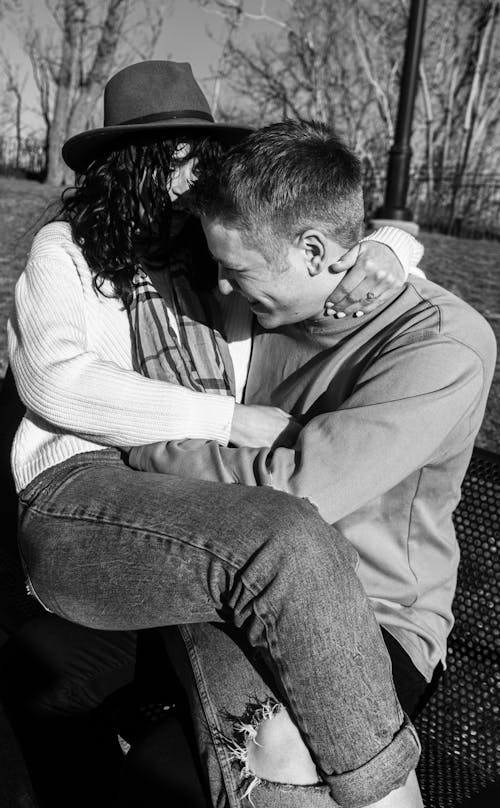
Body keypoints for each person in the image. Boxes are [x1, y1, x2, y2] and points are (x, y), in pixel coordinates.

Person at [7, 61, 427, 808]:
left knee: (263, 727)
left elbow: (318, 235)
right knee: (286, 539)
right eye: (186, 152)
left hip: (198, 504)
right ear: (140, 163)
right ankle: (388, 796)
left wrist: (393, 251)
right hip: (85, 491)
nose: (204, 167)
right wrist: (227, 419)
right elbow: (56, 380)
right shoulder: (67, 251)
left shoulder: (217, 258)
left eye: (207, 150)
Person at [128, 119, 497, 808]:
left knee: (220, 770)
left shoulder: (441, 345)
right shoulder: (261, 315)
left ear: (313, 250)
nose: (226, 290)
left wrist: (151, 448)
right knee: (60, 675)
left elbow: (294, 492)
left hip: (375, 616)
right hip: (236, 583)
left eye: (237, 269)